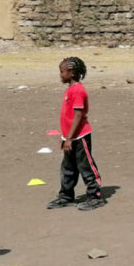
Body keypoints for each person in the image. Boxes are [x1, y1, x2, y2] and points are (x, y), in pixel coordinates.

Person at [46, 57, 106, 211]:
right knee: (68, 167)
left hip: (80, 137)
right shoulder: (70, 89)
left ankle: (95, 196)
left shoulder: (78, 90)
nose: (60, 75)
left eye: (62, 71)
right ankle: (66, 196)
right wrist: (65, 138)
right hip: (70, 137)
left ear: (71, 73)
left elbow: (78, 115)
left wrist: (70, 138)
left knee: (85, 166)